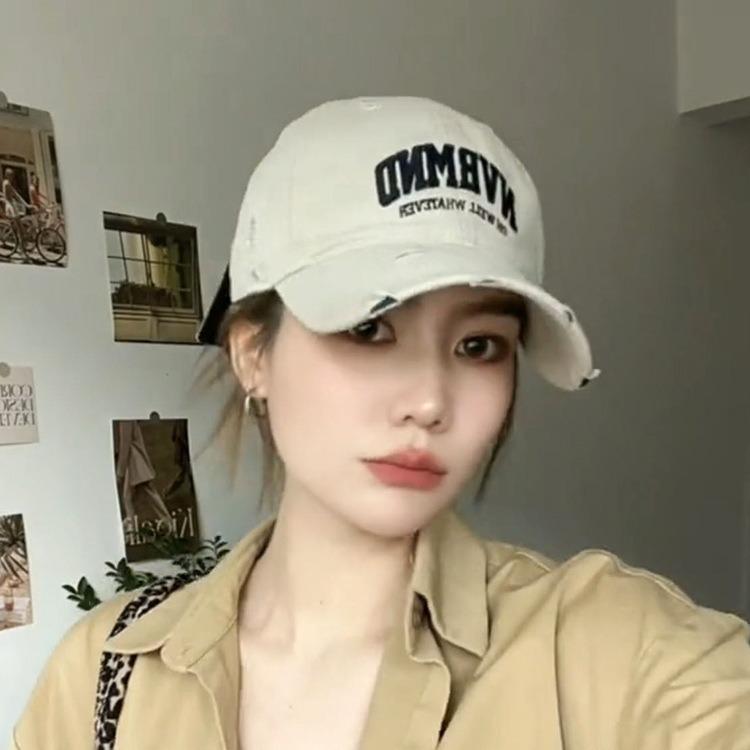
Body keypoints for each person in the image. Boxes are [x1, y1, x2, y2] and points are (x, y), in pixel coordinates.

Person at [10, 96, 750, 749]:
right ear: (253, 354)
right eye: (369, 329)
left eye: (479, 346)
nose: (429, 401)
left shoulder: (613, 650)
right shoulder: (107, 672)